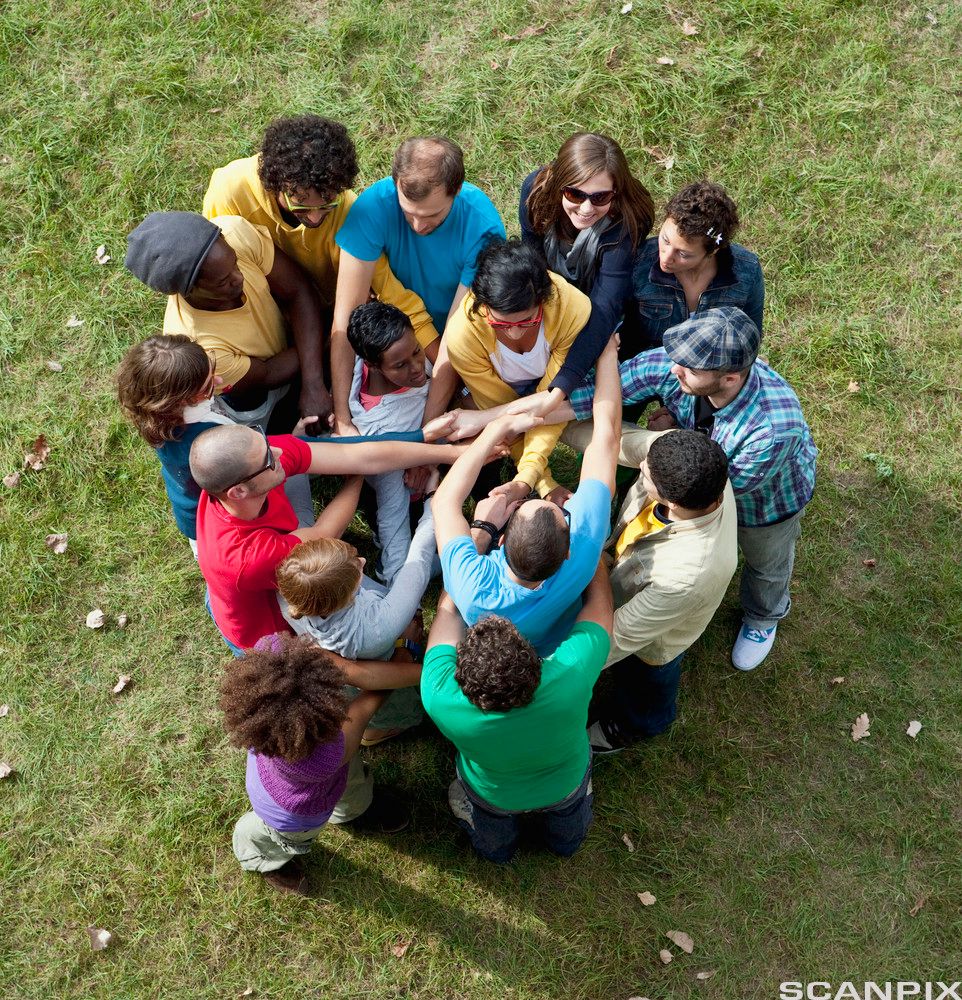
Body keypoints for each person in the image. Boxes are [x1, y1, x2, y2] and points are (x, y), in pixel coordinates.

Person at [517, 307, 816, 671]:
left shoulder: (771, 431)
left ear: (730, 379)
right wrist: (499, 421)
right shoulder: (686, 361)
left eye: (688, 371)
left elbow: (710, 487)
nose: (674, 370)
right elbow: (597, 397)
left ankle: (763, 616)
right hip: (691, 468)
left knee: (767, 563)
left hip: (765, 503)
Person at [188, 424, 480, 655]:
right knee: (393, 583)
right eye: (269, 459)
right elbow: (326, 535)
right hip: (270, 637)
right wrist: (356, 478)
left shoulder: (246, 465)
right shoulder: (246, 559)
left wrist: (450, 454)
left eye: (266, 442)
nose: (278, 452)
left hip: (260, 579)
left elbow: (358, 455)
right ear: (238, 492)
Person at [432, 333, 621, 657]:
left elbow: (444, 500)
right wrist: (605, 354)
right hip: (547, 647)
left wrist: (492, 431)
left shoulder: (471, 589)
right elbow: (608, 434)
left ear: (503, 542)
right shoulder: (586, 546)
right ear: (566, 554)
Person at [202, 115, 438, 371]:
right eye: (300, 206)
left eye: (327, 204)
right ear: (274, 183)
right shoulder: (229, 191)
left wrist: (444, 365)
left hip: (327, 317)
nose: (315, 217)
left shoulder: (350, 211)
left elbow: (394, 294)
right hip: (259, 319)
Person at [420, 561, 613, 863]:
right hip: (565, 783)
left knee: (493, 841)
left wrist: (465, 558)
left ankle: (497, 852)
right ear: (532, 660)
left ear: (461, 676)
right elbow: (599, 605)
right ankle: (565, 844)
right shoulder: (572, 674)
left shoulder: (439, 695)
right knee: (570, 825)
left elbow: (447, 612)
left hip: (492, 795)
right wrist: (595, 557)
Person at [562, 424, 738, 751]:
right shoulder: (688, 461)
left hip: (651, 643)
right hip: (622, 576)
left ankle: (632, 725)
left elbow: (615, 637)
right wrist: (548, 427)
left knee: (645, 680)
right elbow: (615, 441)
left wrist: (548, 677)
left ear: (671, 500)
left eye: (647, 476)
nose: (641, 466)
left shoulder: (689, 574)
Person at [331, 136, 505, 435]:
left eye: (432, 215)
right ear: (395, 182)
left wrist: (424, 434)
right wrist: (343, 420)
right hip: (399, 336)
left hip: (458, 338)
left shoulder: (483, 227)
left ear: (457, 191)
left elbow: (454, 341)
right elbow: (345, 319)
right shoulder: (372, 206)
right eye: (407, 212)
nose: (418, 226)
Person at [125, 210, 331, 430]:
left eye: (235, 262)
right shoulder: (201, 350)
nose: (238, 277)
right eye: (223, 282)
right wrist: (326, 340)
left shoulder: (235, 233)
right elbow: (269, 373)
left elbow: (297, 290)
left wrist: (313, 382)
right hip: (260, 384)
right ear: (190, 291)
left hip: (289, 347)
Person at [222, 633, 390, 895]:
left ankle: (354, 811)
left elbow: (274, 641)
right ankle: (262, 857)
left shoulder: (271, 655)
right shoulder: (326, 757)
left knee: (348, 778)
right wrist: (403, 658)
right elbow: (369, 701)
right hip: (291, 814)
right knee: (266, 834)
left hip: (281, 777)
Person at [276, 482, 439, 746]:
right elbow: (418, 559)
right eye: (357, 569)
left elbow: (300, 514)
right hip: (386, 673)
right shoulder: (377, 625)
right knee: (396, 712)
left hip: (351, 678)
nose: (363, 561)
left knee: (403, 571)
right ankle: (379, 730)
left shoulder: (292, 590)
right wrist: (434, 498)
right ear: (348, 593)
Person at [115, 334, 315, 548]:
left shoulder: (156, 417)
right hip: (231, 524)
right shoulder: (211, 440)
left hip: (192, 514)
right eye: (208, 385)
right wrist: (296, 439)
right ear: (183, 399)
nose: (219, 380)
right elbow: (260, 468)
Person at [443, 237, 592, 502]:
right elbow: (509, 422)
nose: (513, 333)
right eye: (499, 323)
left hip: (555, 394)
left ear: (543, 301)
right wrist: (545, 482)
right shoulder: (462, 337)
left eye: (528, 321)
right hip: (499, 395)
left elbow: (549, 403)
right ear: (482, 304)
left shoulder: (571, 308)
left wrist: (533, 474)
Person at [519, 132, 655, 391]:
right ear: (559, 185)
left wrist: (563, 382)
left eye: (600, 197)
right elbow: (533, 263)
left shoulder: (624, 224)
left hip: (599, 295)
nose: (586, 208)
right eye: (574, 194)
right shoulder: (535, 193)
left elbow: (605, 306)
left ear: (615, 193)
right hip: (552, 288)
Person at [345, 300, 431, 583]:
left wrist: (424, 457)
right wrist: (398, 582)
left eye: (417, 351)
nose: (418, 367)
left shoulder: (370, 359)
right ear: (372, 365)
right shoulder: (381, 426)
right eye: (401, 365)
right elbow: (392, 512)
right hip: (400, 493)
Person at [633, 180, 764, 351]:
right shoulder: (638, 262)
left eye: (683, 254)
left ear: (712, 251)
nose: (666, 257)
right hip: (645, 368)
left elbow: (750, 335)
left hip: (712, 371)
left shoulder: (747, 272)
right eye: (665, 239)